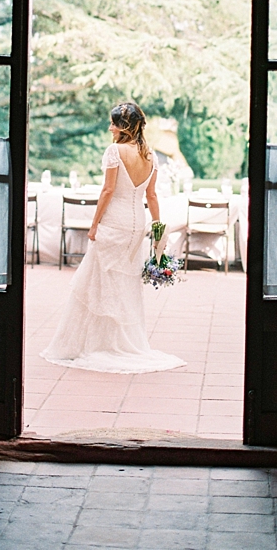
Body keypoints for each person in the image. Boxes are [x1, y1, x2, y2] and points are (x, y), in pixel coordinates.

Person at [42, 101, 185, 373]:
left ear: (125, 127)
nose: (110, 128)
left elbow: (107, 191)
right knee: (125, 284)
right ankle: (119, 342)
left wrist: (94, 224)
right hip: (136, 225)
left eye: (114, 123)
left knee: (98, 281)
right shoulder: (150, 155)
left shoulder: (114, 151)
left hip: (115, 222)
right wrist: (157, 226)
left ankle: (97, 345)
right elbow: (151, 196)